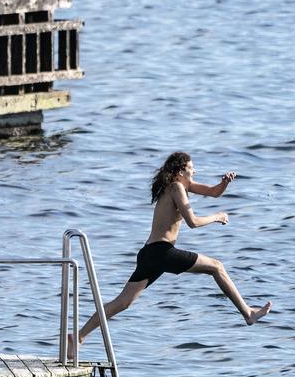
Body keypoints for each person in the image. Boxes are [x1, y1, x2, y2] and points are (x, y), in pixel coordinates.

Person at [69, 152, 272, 357]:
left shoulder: (180, 186)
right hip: (161, 252)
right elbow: (192, 221)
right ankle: (248, 313)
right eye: (191, 168)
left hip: (149, 253)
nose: (195, 171)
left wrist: (224, 183)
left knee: (123, 302)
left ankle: (79, 336)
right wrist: (217, 217)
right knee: (216, 266)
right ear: (180, 171)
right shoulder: (176, 187)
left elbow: (213, 192)